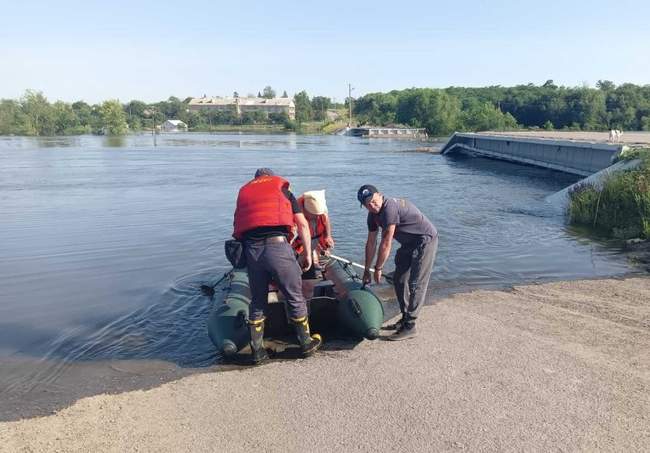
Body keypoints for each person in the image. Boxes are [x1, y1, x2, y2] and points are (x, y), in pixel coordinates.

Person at [233, 168, 322, 364]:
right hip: (277, 247)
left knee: (257, 300)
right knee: (294, 295)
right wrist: (307, 253)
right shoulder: (282, 190)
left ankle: (257, 351)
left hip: (252, 251)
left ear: (256, 180)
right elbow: (302, 224)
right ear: (271, 177)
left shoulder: (245, 193)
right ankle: (306, 343)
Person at [357, 184, 438, 340]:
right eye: (368, 205)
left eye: (374, 201)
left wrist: (378, 267)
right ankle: (405, 317)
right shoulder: (372, 215)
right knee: (399, 279)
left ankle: (410, 325)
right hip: (408, 244)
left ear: (380, 195)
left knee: (416, 283)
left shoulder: (389, 208)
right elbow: (371, 242)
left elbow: (386, 242)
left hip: (424, 240)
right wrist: (367, 270)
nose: (372, 206)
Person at [292, 190, 335, 277]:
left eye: (318, 215)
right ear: (305, 209)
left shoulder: (321, 213)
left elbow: (326, 221)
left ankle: (314, 263)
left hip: (313, 244)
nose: (317, 217)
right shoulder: (295, 216)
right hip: (298, 249)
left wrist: (328, 236)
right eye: (314, 215)